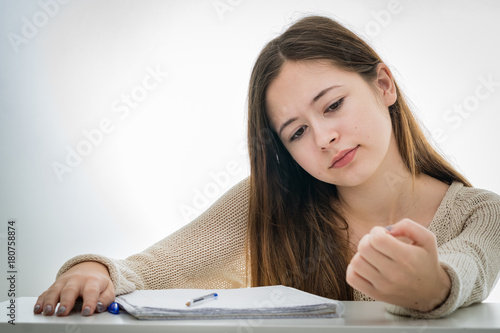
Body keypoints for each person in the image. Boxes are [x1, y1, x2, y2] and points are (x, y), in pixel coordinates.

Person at [34, 15, 500, 319]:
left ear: (383, 85)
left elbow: (469, 265)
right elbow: (148, 268)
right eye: (296, 132)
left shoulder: (480, 212)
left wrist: (433, 285)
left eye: (333, 104)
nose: (323, 138)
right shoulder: (267, 203)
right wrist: (94, 269)